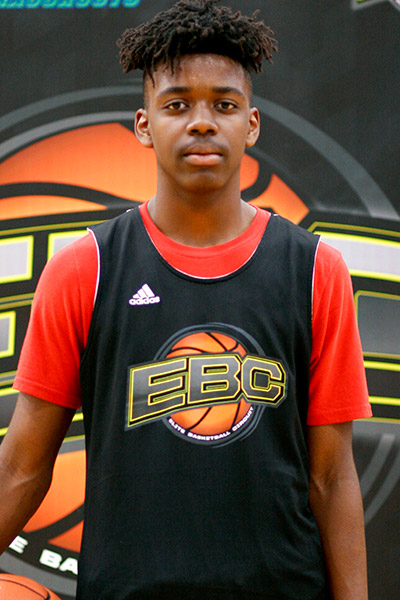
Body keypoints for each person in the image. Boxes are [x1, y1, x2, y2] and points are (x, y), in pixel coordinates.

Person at [0, 1, 372, 598]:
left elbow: (331, 476)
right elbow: (22, 466)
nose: (202, 122)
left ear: (251, 123)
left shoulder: (314, 270)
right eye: (177, 105)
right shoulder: (85, 268)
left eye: (224, 104)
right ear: (144, 124)